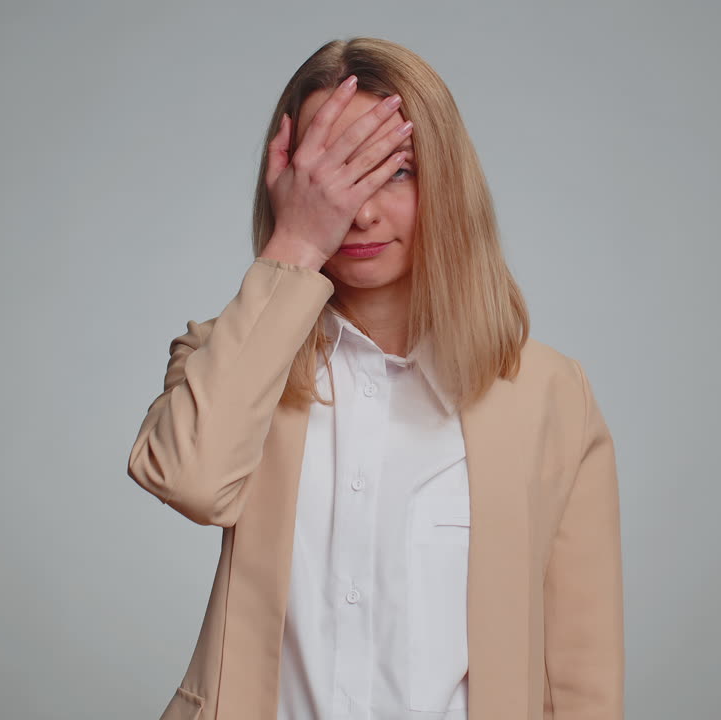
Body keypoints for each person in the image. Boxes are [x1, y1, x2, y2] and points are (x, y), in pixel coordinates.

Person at [126, 37, 623, 720]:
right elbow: (190, 481)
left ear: (445, 180)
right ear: (289, 184)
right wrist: (297, 242)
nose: (358, 211)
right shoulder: (227, 359)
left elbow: (581, 676)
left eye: (393, 172)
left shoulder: (550, 395)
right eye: (332, 175)